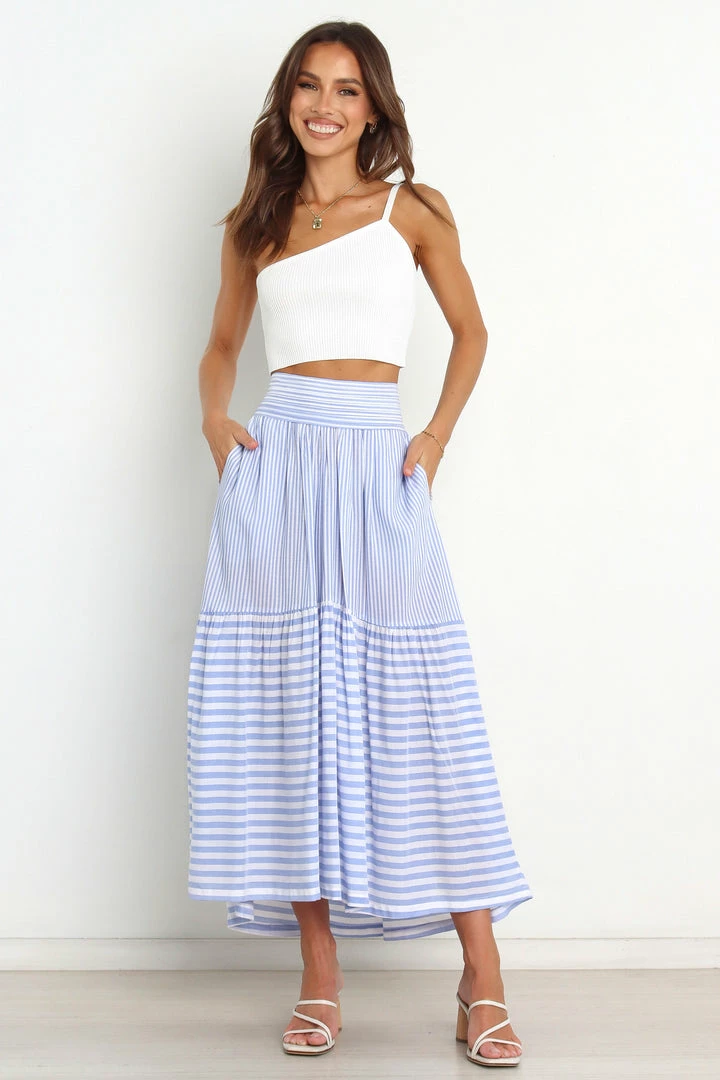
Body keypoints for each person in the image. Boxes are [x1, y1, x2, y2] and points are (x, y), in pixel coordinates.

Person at [186, 19, 533, 1067]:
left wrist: (432, 437)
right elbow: (221, 345)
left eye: (346, 89)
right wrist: (215, 421)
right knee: (292, 717)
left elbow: (473, 332)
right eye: (308, 85)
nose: (324, 105)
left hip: (379, 467)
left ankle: (483, 976)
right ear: (287, 100)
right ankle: (320, 974)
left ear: (373, 105)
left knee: (424, 712)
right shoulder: (257, 222)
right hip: (280, 469)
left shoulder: (412, 209)